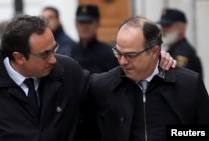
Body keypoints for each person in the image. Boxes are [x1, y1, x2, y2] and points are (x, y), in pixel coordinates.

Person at [0, 14, 90, 141]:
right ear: (19, 57)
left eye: (54, 49)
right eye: (45, 54)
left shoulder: (68, 71)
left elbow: (101, 90)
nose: (53, 60)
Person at [79, 16, 209, 141]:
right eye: (118, 53)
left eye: (131, 55)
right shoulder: (102, 87)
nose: (123, 61)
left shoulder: (188, 84)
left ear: (154, 52)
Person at [70, 4, 118, 73]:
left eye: (89, 22)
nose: (85, 27)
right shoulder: (71, 51)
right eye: (81, 22)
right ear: (76, 24)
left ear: (97, 24)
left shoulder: (108, 54)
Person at [158, 8, 203, 77]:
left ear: (182, 28)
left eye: (168, 26)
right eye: (162, 26)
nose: (163, 30)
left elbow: (182, 81)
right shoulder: (174, 50)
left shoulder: (183, 53)